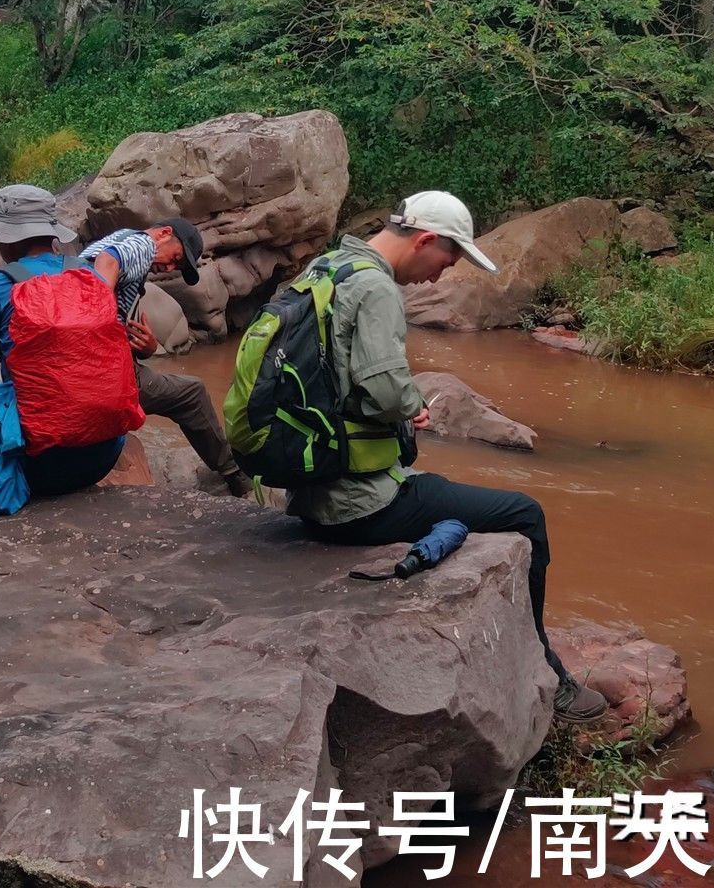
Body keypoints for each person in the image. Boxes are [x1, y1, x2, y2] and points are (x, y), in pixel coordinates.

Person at [286, 190, 610, 723]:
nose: (440, 277)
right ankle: (548, 670)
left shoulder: (329, 267)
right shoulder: (375, 288)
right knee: (524, 513)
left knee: (445, 491)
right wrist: (411, 406)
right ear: (426, 240)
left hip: (311, 484)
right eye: (448, 259)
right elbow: (388, 393)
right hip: (357, 503)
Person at [0, 185, 128, 502]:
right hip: (104, 455)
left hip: (43, 465)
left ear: (6, 236)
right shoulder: (90, 277)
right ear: (50, 233)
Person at [80, 219, 253, 497]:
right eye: (175, 258)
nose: (170, 268)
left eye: (177, 267)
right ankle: (235, 475)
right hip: (101, 371)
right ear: (164, 234)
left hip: (78, 362)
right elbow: (109, 261)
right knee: (192, 393)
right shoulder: (142, 245)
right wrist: (101, 329)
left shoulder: (120, 235)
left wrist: (143, 349)